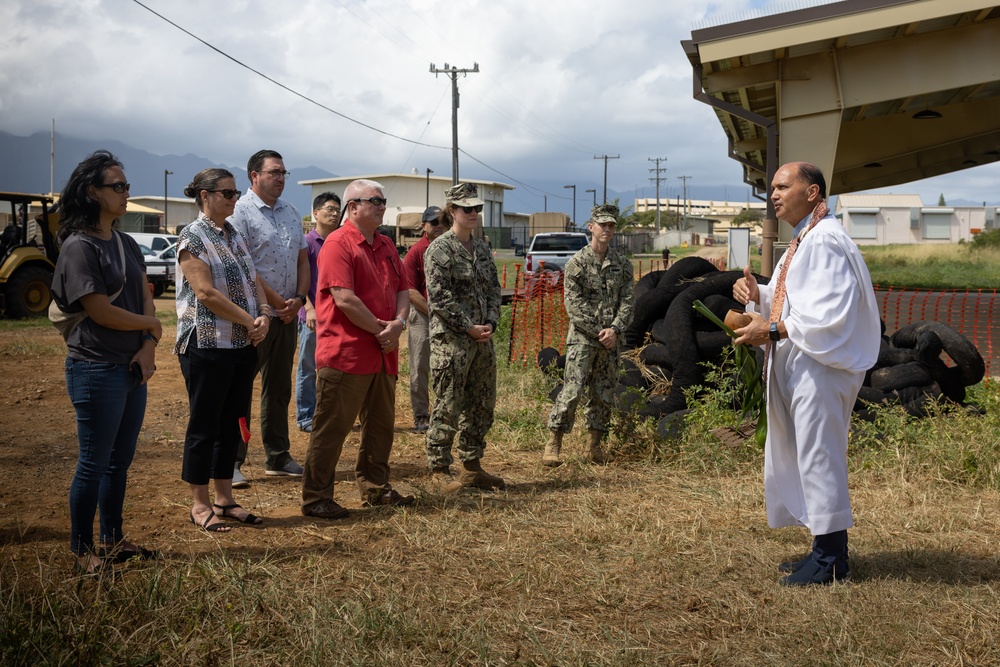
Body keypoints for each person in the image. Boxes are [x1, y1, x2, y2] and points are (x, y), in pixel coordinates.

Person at [732, 161, 880, 586]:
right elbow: (795, 299)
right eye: (772, 188)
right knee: (808, 455)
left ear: (812, 192)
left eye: (782, 186)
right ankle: (822, 548)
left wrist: (772, 328)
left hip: (822, 366)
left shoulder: (826, 242)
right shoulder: (804, 240)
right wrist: (754, 292)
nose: (773, 195)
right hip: (806, 365)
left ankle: (831, 558)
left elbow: (831, 314)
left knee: (820, 456)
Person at [50, 150, 162, 575]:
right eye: (117, 187)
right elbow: (99, 310)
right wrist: (150, 324)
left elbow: (145, 293)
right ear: (92, 192)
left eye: (127, 186)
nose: (125, 193)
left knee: (120, 460)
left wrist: (148, 344)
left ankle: (112, 541)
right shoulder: (79, 247)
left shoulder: (126, 242)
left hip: (132, 366)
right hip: (96, 367)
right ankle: (81, 552)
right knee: (94, 461)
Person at [301, 179, 413, 519]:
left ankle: (375, 489)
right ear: (353, 207)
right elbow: (343, 298)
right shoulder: (338, 244)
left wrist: (399, 324)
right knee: (331, 428)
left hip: (383, 352)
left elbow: (403, 291)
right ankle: (316, 497)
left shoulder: (386, 245)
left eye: (383, 200)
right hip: (346, 354)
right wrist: (383, 330)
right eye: (374, 200)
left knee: (380, 427)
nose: (382, 205)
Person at [175, 168, 272, 532]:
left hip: (239, 344)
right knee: (205, 424)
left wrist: (263, 313)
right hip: (207, 344)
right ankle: (200, 505)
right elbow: (205, 293)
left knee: (232, 423)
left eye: (235, 194)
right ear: (205, 196)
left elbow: (253, 278)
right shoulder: (192, 236)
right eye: (227, 194)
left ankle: (225, 499)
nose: (234, 200)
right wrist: (251, 321)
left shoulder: (233, 234)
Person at [228, 149, 309, 487]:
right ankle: (231, 461)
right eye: (274, 172)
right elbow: (243, 265)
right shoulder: (239, 213)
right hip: (255, 316)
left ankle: (278, 456)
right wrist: (276, 302)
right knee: (240, 388)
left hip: (288, 316)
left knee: (278, 389)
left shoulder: (291, 212)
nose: (281, 178)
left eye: (284, 173)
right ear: (254, 176)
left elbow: (303, 260)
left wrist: (299, 300)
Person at [424, 183, 505, 493]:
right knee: (448, 403)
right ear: (452, 212)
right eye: (467, 209)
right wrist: (468, 326)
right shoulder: (440, 249)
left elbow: (494, 289)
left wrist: (492, 323)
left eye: (477, 209)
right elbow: (439, 299)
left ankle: (471, 466)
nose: (473, 214)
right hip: (453, 341)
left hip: (482, 339)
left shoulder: (482, 248)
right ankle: (439, 469)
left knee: (482, 402)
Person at [544, 204, 635, 466]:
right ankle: (554, 442)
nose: (607, 229)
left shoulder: (622, 264)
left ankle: (594, 446)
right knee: (572, 390)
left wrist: (615, 329)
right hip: (584, 339)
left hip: (611, 341)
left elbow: (628, 301)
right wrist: (600, 332)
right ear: (591, 227)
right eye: (602, 225)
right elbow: (574, 305)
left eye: (611, 226)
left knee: (603, 393)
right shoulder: (577, 264)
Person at [295, 192, 341, 433]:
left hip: (337, 318)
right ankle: (305, 416)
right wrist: (309, 308)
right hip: (312, 318)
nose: (334, 213)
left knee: (333, 368)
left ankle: (327, 414)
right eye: (329, 209)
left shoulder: (340, 243)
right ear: (315, 213)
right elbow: (299, 281)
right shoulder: (307, 244)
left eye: (337, 210)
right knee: (308, 367)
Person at [402, 205, 444, 432]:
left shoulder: (452, 249)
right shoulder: (416, 252)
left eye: (443, 222)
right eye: (434, 222)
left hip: (451, 318)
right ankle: (421, 415)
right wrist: (436, 313)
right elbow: (410, 291)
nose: (439, 227)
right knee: (420, 365)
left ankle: (444, 412)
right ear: (424, 226)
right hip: (423, 316)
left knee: (447, 366)